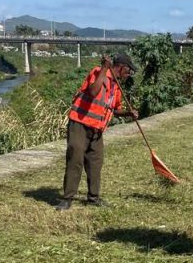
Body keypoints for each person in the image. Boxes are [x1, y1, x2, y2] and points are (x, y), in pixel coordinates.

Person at [55, 54, 138, 211]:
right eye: (129, 71)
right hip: (80, 124)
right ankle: (67, 199)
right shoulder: (98, 72)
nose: (129, 75)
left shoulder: (116, 86)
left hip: (97, 129)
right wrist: (105, 68)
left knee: (95, 163)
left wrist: (129, 113)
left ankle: (93, 198)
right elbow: (93, 92)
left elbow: (115, 109)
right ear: (122, 67)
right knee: (76, 160)